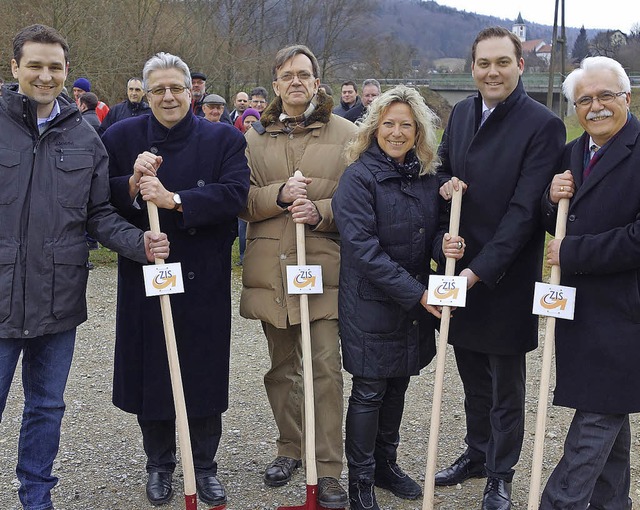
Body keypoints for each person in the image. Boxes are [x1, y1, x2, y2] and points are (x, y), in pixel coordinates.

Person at [0, 24, 169, 510]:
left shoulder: (84, 135)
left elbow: (97, 214)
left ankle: (36, 497)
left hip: (59, 295)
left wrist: (141, 242)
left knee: (47, 407)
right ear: (15, 69)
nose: (45, 75)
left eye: (55, 66)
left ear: (66, 71)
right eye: (35, 65)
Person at [102, 52, 250, 508]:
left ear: (192, 91)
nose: (168, 97)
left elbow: (234, 194)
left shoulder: (223, 138)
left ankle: (204, 464)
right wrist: (131, 184)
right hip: (148, 271)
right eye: (158, 90)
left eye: (176, 88)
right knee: (154, 367)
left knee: (202, 369)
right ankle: (159, 463)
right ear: (146, 95)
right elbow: (99, 197)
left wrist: (175, 199)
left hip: (202, 272)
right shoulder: (121, 135)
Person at [434, 26, 566, 510]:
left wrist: (477, 273)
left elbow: (525, 213)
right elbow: (444, 167)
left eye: (502, 63)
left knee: (505, 384)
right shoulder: (463, 113)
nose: (492, 71)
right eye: (483, 63)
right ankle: (476, 452)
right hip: (460, 263)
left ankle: (500, 472)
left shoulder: (542, 124)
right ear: (473, 68)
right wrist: (446, 184)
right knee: (470, 373)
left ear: (520, 66)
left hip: (504, 276)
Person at [332, 85, 465, 510]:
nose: (396, 132)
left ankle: (386, 465)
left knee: (398, 386)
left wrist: (443, 244)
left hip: (410, 302)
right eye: (388, 123)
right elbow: (362, 250)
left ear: (418, 132)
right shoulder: (358, 177)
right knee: (369, 389)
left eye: (405, 125)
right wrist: (419, 295)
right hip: (372, 301)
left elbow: (425, 235)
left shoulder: (424, 177)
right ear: (373, 128)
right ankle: (361, 480)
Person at [239, 44, 356, 509]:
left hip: (322, 270)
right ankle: (290, 447)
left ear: (317, 80)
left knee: (325, 368)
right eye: (287, 75)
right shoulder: (251, 140)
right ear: (275, 83)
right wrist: (280, 195)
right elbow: (240, 201)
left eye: (304, 74)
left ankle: (327, 469)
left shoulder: (348, 134)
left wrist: (322, 211)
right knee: (282, 368)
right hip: (272, 271)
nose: (296, 82)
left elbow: (359, 201)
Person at [538, 56, 638, 510]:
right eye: (585, 99)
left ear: (627, 98)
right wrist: (550, 197)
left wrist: (573, 253)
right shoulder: (574, 151)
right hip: (582, 311)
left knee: (597, 417)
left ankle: (560, 503)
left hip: (626, 314)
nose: (595, 107)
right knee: (610, 412)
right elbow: (556, 220)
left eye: (605, 96)